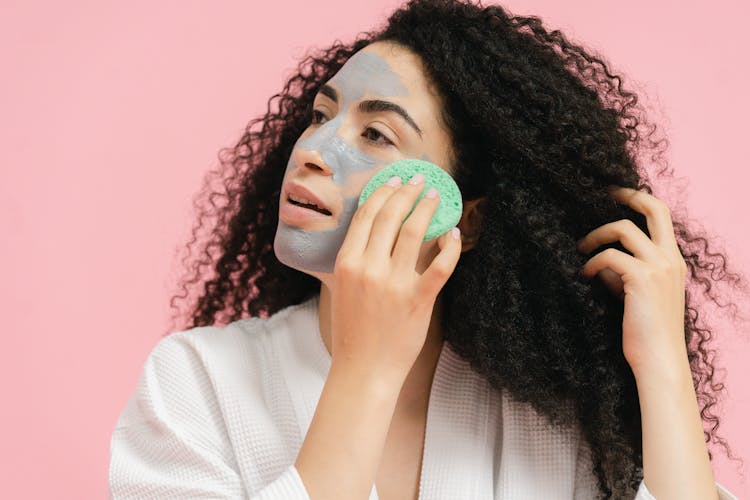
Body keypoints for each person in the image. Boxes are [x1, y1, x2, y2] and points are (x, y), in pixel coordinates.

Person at [109, 0, 744, 498]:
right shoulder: (193, 381)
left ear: (465, 220)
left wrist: (662, 363)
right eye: (319, 115)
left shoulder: (544, 421)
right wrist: (366, 368)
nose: (310, 150)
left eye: (376, 134)